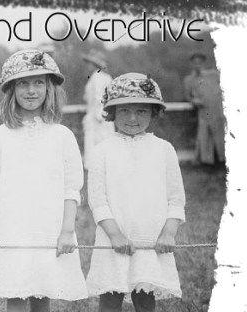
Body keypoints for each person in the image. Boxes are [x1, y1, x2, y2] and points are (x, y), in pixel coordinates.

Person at [0, 49, 88, 311]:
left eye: (39, 82)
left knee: (42, 293)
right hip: (12, 229)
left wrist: (66, 231)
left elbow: (71, 189)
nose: (31, 90)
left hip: (48, 228)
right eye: (23, 83)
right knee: (15, 294)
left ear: (49, 88)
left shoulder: (62, 135)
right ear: (11, 90)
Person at [86, 73, 186, 312]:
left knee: (144, 297)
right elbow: (98, 200)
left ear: (153, 112)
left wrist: (169, 233)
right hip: (114, 240)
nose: (132, 118)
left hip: (151, 240)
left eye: (141, 111)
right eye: (124, 111)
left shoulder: (164, 150)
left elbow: (176, 198)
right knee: (110, 298)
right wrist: (115, 235)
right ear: (112, 113)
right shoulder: (102, 150)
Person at [183, 53, 225, 166]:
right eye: (195, 63)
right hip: (203, 109)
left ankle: (222, 159)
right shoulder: (189, 79)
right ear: (191, 64)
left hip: (216, 107)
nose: (197, 65)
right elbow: (188, 96)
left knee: (220, 133)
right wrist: (194, 101)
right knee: (204, 134)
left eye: (200, 63)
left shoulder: (214, 75)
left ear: (204, 63)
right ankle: (207, 162)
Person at [81, 50, 114, 170]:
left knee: (97, 147)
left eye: (89, 63)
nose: (87, 66)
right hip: (99, 116)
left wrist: (99, 116)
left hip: (98, 118)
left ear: (94, 64)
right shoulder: (103, 76)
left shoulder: (98, 76)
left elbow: (99, 97)